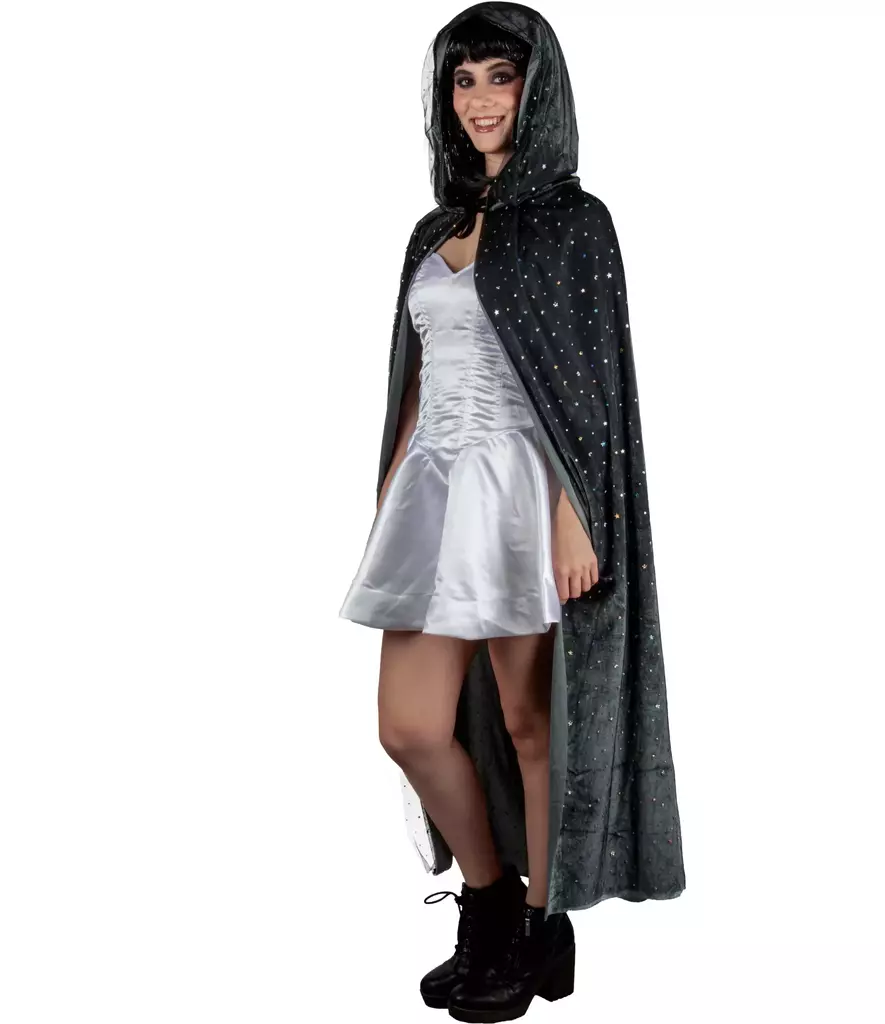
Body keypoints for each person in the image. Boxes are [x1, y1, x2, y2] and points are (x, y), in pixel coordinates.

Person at [339, 4, 686, 1020]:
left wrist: (578, 513)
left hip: (524, 490)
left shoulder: (578, 222)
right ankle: (488, 898)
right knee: (409, 726)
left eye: (502, 76)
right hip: (431, 490)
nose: (482, 99)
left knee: (535, 721)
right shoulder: (433, 231)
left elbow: (592, 388)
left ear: (538, 92)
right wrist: (387, 504)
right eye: (464, 80)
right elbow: (413, 379)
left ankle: (542, 922)